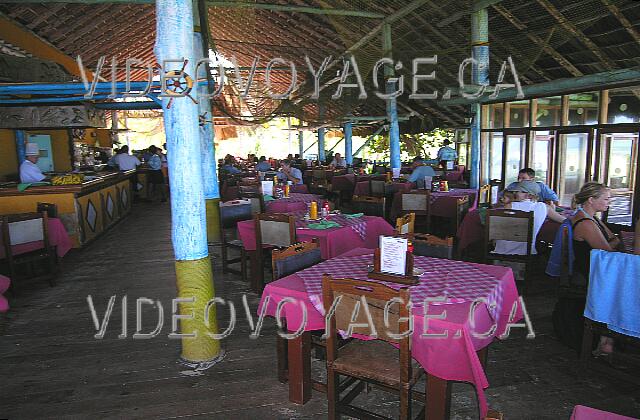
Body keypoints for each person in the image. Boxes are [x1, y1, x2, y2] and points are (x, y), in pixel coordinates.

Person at [554, 182, 620, 354]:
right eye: (606, 199)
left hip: (593, 267)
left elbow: (614, 240)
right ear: (591, 200)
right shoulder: (585, 223)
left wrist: (612, 242)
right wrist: (612, 243)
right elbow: (609, 249)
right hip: (589, 272)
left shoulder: (591, 218)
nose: (609, 202)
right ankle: (608, 337)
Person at [493, 180, 565, 255]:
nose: (514, 193)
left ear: (529, 195)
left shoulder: (510, 206)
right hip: (527, 251)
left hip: (503, 249)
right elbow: (563, 220)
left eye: (518, 191)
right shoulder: (544, 207)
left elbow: (499, 228)